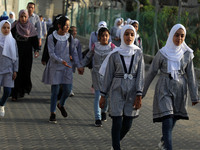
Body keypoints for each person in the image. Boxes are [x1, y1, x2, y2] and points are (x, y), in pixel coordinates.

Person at [142, 24, 199, 150]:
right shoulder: (162, 53)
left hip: (180, 89)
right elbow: (151, 72)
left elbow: (191, 75)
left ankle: (164, 139)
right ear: (171, 35)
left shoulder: (187, 54)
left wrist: (194, 96)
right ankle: (168, 147)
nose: (179, 38)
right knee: (167, 118)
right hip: (164, 88)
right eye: (176, 35)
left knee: (174, 117)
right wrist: (141, 93)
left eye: (182, 36)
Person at [99, 25, 145, 149]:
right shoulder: (115, 54)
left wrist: (139, 94)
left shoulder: (139, 53)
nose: (129, 37)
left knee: (128, 123)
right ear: (121, 35)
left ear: (134, 36)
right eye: (126, 34)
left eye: (131, 34)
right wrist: (103, 95)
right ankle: (116, 147)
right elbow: (108, 75)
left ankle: (115, 143)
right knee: (117, 121)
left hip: (132, 91)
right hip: (116, 90)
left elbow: (140, 74)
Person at [42, 16, 84, 123]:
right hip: (55, 67)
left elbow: (73, 52)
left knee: (68, 90)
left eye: (68, 25)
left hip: (66, 68)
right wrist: (61, 61)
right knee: (55, 91)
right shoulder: (52, 37)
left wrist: (79, 65)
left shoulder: (69, 37)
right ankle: (52, 113)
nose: (67, 27)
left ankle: (61, 104)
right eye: (66, 25)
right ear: (59, 25)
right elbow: (51, 54)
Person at [82, 27, 115, 127]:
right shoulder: (94, 46)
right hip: (96, 74)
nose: (104, 37)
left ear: (109, 37)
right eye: (102, 36)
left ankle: (103, 111)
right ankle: (97, 118)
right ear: (99, 37)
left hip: (108, 75)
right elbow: (88, 57)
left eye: (106, 36)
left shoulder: (112, 47)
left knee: (107, 96)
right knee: (97, 96)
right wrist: (81, 65)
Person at [11, 9, 40, 101]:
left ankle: (22, 91)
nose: (23, 19)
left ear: (27, 17)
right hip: (16, 54)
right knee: (16, 72)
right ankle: (15, 93)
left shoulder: (30, 27)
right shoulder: (14, 27)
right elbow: (9, 39)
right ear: (19, 17)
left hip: (27, 55)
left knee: (25, 72)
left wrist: (36, 50)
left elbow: (34, 40)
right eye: (21, 16)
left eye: (25, 17)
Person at [0, 20, 18, 117]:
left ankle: (2, 104)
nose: (6, 29)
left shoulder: (12, 40)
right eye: (4, 27)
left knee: (8, 91)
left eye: (8, 27)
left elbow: (16, 56)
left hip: (9, 70)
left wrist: (15, 70)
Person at [69, 26, 82, 97]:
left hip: (73, 61)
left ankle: (70, 89)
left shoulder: (77, 41)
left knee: (70, 76)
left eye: (75, 31)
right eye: (72, 31)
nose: (74, 32)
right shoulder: (66, 40)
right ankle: (69, 90)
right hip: (66, 61)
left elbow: (79, 52)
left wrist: (80, 63)